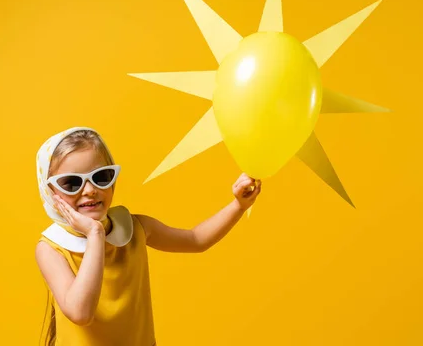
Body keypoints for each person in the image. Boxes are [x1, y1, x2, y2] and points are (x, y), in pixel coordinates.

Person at [35, 126, 261, 346]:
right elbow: (80, 312)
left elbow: (196, 239)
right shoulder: (51, 249)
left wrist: (238, 205)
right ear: (49, 192)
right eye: (72, 183)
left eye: (101, 176)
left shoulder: (135, 227)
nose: (89, 189)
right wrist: (95, 233)